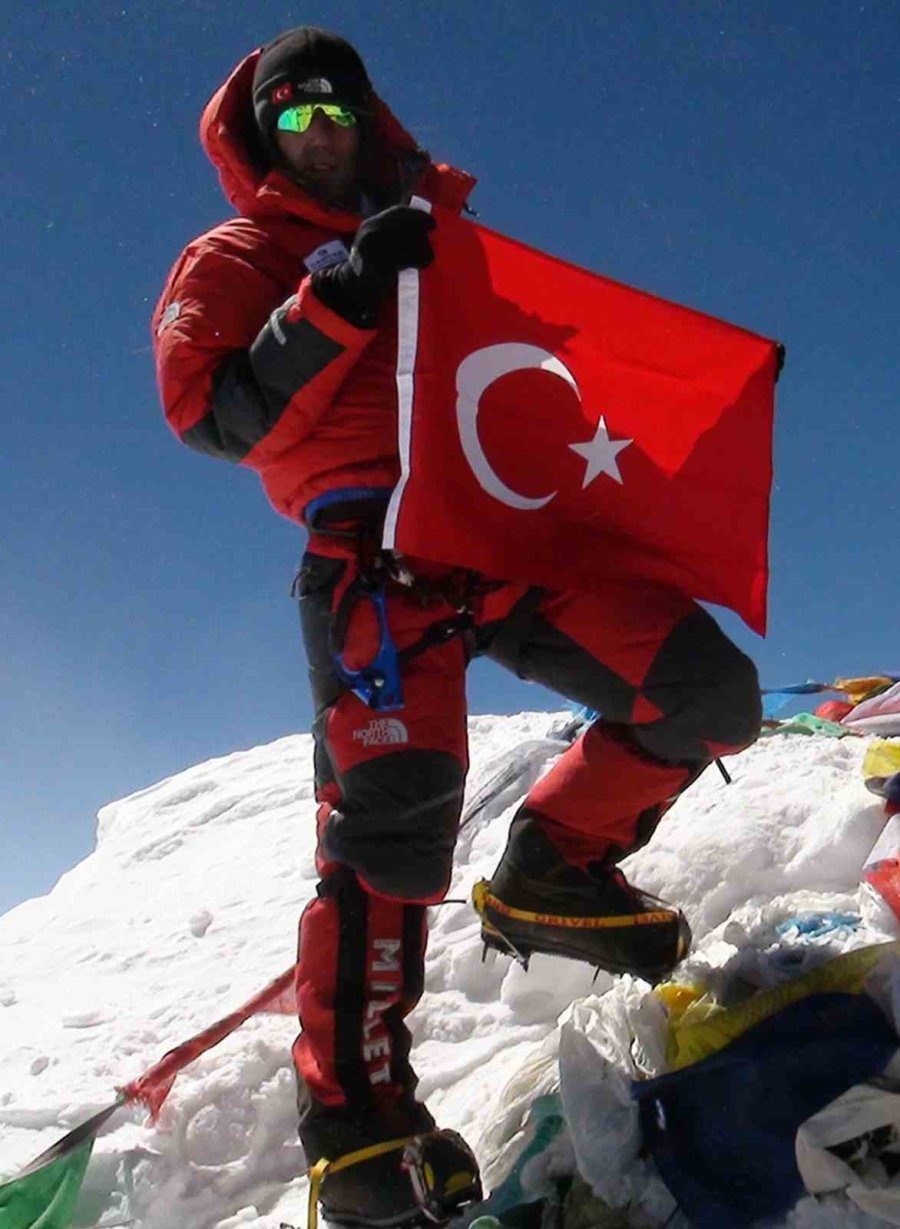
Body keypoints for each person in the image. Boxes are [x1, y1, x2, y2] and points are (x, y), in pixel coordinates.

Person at [153, 26, 762, 1228]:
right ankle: (359, 1129)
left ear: (367, 120)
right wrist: (336, 292)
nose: (318, 135)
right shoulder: (237, 254)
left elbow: (538, 367)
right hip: (374, 557)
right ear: (262, 136)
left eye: (336, 113)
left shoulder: (447, 237)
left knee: (705, 692)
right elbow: (215, 416)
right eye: (292, 119)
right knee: (391, 829)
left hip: (506, 535)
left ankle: (554, 868)